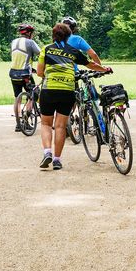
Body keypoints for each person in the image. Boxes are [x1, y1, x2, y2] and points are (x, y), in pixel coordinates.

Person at [37, 23, 111, 170]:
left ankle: (47, 152)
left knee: (46, 124)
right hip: (67, 91)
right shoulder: (73, 51)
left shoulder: (46, 49)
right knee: (60, 126)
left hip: (49, 91)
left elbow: (39, 72)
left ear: (53, 36)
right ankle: (57, 160)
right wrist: (105, 69)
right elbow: (90, 64)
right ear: (69, 35)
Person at [9, 23, 41, 132]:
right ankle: (26, 121)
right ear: (29, 33)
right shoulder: (30, 42)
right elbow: (41, 54)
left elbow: (20, 58)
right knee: (34, 95)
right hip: (25, 74)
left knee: (17, 98)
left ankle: (18, 124)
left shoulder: (13, 42)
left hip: (13, 74)